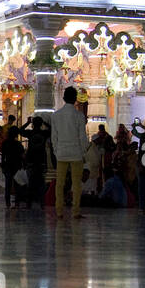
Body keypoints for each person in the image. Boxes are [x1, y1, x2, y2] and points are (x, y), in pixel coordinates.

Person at [51, 86, 89, 220]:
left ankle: (59, 211)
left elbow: (53, 137)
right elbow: (82, 137)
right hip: (76, 153)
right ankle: (75, 211)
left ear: (63, 98)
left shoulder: (56, 115)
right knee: (76, 183)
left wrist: (56, 151)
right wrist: (84, 152)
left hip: (61, 153)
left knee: (59, 183)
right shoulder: (79, 116)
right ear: (75, 99)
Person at [19, 116, 51, 208]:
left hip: (31, 160)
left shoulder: (30, 133)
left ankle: (29, 203)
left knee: (30, 183)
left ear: (33, 124)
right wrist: (44, 122)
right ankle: (42, 203)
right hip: (41, 160)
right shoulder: (44, 133)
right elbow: (52, 129)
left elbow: (20, 130)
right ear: (41, 124)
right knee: (41, 183)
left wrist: (28, 122)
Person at [0, 125, 25, 210]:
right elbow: (22, 156)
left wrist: (2, 165)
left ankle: (7, 203)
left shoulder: (5, 143)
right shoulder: (18, 144)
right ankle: (17, 203)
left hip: (8, 165)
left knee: (8, 185)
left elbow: (3, 156)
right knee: (17, 185)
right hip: (17, 166)